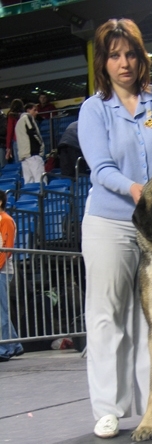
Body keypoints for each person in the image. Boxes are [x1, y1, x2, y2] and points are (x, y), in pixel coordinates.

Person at [78, 18, 152, 439]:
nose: (124, 63)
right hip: (108, 220)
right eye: (114, 55)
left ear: (141, 56)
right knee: (106, 313)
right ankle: (108, 408)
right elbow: (102, 169)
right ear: (103, 62)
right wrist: (141, 191)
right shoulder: (94, 109)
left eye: (130, 53)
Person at [0, 190, 24, 362]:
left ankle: (4, 348)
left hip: (2, 270)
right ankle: (14, 345)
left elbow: (7, 249)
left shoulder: (6, 220)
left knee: (1, 310)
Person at [15, 102, 45, 184]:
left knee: (29, 182)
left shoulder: (18, 122)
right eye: (34, 110)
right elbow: (33, 132)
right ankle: (42, 197)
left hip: (24, 156)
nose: (36, 112)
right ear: (28, 110)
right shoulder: (27, 117)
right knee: (40, 180)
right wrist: (41, 145)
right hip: (33, 154)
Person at [5, 98, 24, 163]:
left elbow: (10, 132)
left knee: (19, 162)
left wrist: (8, 147)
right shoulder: (24, 115)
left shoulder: (11, 116)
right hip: (25, 140)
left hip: (17, 141)